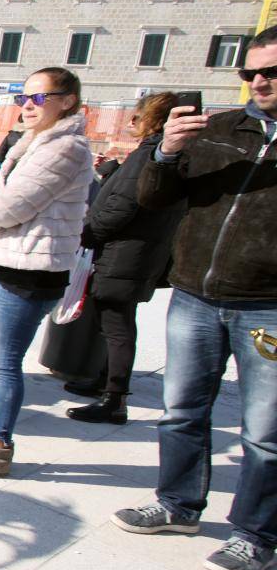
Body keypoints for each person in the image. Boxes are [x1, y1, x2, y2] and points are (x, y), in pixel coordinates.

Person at [112, 25, 277, 570]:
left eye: (271, 72)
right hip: (196, 295)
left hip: (267, 308)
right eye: (250, 72)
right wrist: (165, 151)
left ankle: (254, 534)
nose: (258, 81)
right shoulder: (223, 129)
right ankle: (178, 505)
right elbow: (156, 198)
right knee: (181, 410)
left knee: (264, 431)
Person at [0, 68, 93, 477]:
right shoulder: (35, 143)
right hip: (10, 258)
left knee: (6, 362)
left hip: (32, 268)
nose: (27, 106)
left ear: (66, 100)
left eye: (38, 98)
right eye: (22, 98)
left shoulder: (65, 149)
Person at [67, 92, 186, 425]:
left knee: (117, 326)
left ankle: (114, 398)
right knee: (116, 324)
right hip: (138, 254)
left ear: (151, 120)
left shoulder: (150, 155)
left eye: (136, 117)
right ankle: (106, 382)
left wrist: (88, 234)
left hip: (125, 254)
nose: (131, 123)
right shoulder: (164, 157)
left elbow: (121, 206)